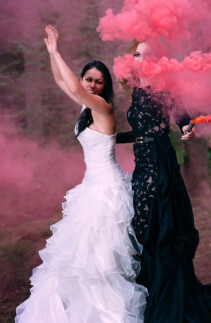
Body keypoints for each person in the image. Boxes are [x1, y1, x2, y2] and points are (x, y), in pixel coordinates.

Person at [15, 26, 147, 323]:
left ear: (105, 87)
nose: (92, 85)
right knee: (78, 256)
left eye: (99, 82)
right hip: (90, 187)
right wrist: (52, 55)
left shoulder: (102, 108)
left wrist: (55, 51)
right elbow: (63, 82)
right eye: (89, 79)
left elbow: (73, 86)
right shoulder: (86, 109)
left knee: (98, 260)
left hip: (106, 190)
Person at [116, 40, 211, 322]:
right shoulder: (134, 89)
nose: (143, 59)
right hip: (141, 162)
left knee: (160, 223)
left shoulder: (163, 87)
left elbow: (179, 115)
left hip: (158, 161)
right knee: (143, 225)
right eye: (137, 54)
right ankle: (150, 288)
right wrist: (109, 138)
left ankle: (163, 294)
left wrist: (187, 127)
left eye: (149, 54)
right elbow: (140, 132)